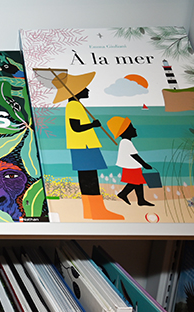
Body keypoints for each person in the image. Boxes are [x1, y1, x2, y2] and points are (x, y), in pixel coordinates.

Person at [52, 71, 124, 220]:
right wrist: (93, 125)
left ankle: (91, 212)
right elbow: (76, 127)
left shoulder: (75, 105)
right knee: (89, 178)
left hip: (83, 146)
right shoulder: (74, 106)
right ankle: (97, 211)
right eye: (84, 88)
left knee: (87, 178)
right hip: (83, 147)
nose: (88, 90)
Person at [107, 116, 154, 207]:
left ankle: (140, 199)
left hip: (132, 165)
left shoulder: (126, 142)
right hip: (131, 166)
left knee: (138, 182)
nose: (135, 129)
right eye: (132, 127)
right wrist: (144, 164)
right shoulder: (126, 142)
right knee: (135, 182)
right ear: (126, 131)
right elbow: (134, 155)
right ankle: (123, 194)